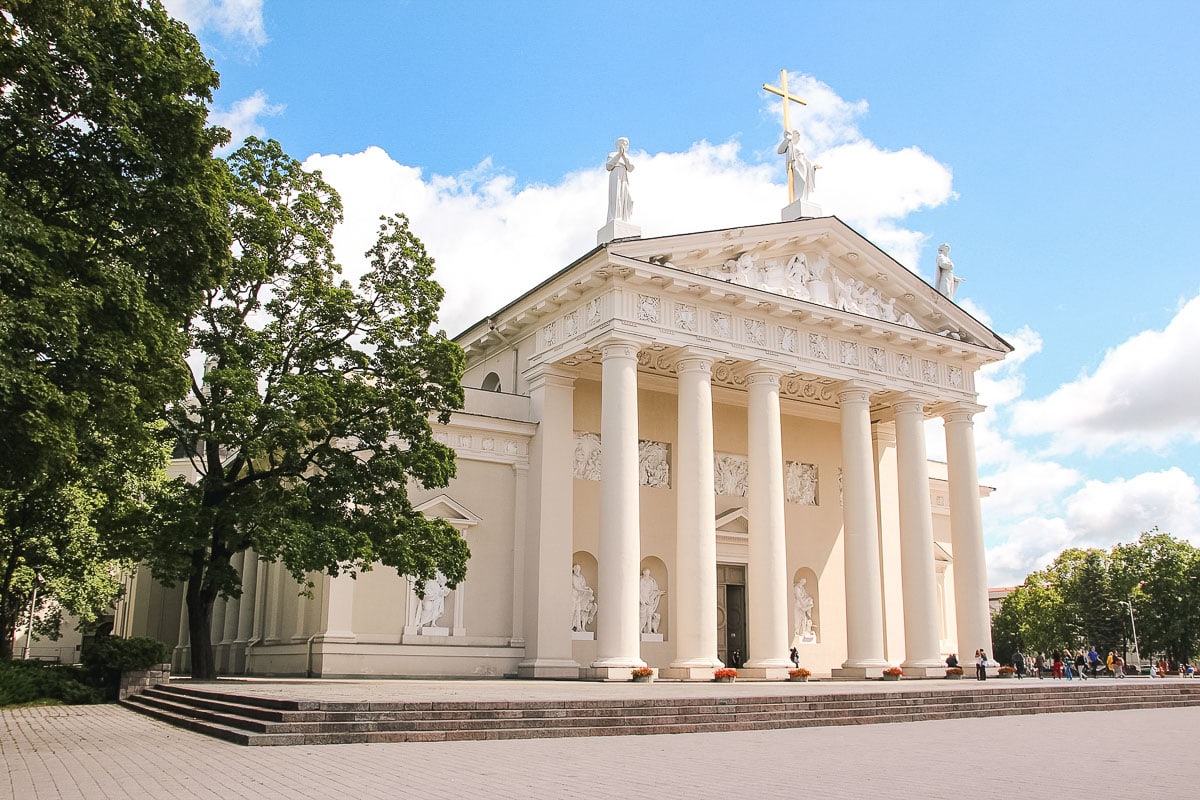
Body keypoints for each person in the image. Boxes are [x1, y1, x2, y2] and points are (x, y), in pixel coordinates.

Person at [605, 137, 634, 223]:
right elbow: (608, 167)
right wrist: (619, 154)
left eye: (626, 144)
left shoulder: (627, 157)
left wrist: (623, 155)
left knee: (629, 200)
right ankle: (616, 217)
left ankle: (626, 219)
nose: (625, 145)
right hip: (615, 174)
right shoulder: (612, 154)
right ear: (618, 145)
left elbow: (631, 168)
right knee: (616, 196)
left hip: (624, 176)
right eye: (623, 143)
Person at [571, 564, 597, 633]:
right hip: (573, 596)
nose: (577, 570)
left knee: (578, 611)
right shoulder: (573, 577)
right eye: (576, 568)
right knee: (573, 611)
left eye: (578, 569)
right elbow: (577, 587)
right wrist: (585, 590)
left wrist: (587, 588)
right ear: (573, 569)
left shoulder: (581, 577)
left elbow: (582, 586)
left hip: (579, 597)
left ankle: (579, 628)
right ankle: (571, 626)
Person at [638, 569, 664, 634]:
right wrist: (641, 599)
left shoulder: (651, 581)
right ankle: (640, 630)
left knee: (649, 615)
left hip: (649, 601)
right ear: (643, 573)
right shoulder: (641, 581)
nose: (647, 574)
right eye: (646, 573)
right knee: (643, 617)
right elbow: (638, 591)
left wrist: (658, 593)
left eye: (648, 573)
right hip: (643, 600)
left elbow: (653, 591)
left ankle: (649, 631)